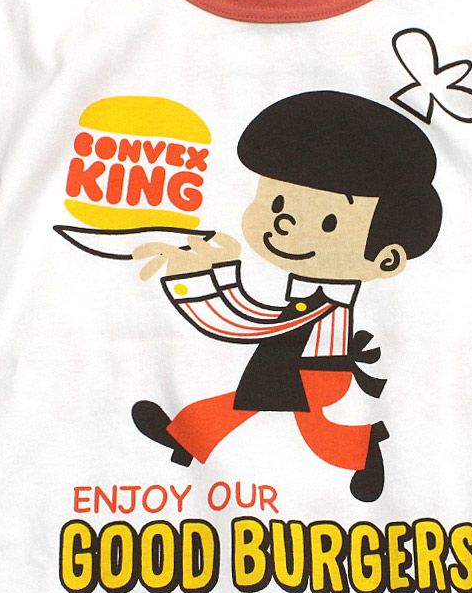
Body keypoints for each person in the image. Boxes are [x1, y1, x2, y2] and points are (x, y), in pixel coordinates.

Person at [131, 90, 443, 502]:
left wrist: (203, 281)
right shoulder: (304, 296)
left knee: (310, 430)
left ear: (386, 259)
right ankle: (186, 437)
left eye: (329, 222)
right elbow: (255, 318)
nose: (284, 224)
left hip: (320, 369)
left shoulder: (324, 303)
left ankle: (362, 449)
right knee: (246, 407)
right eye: (276, 202)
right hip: (288, 356)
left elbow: (251, 322)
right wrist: (210, 276)